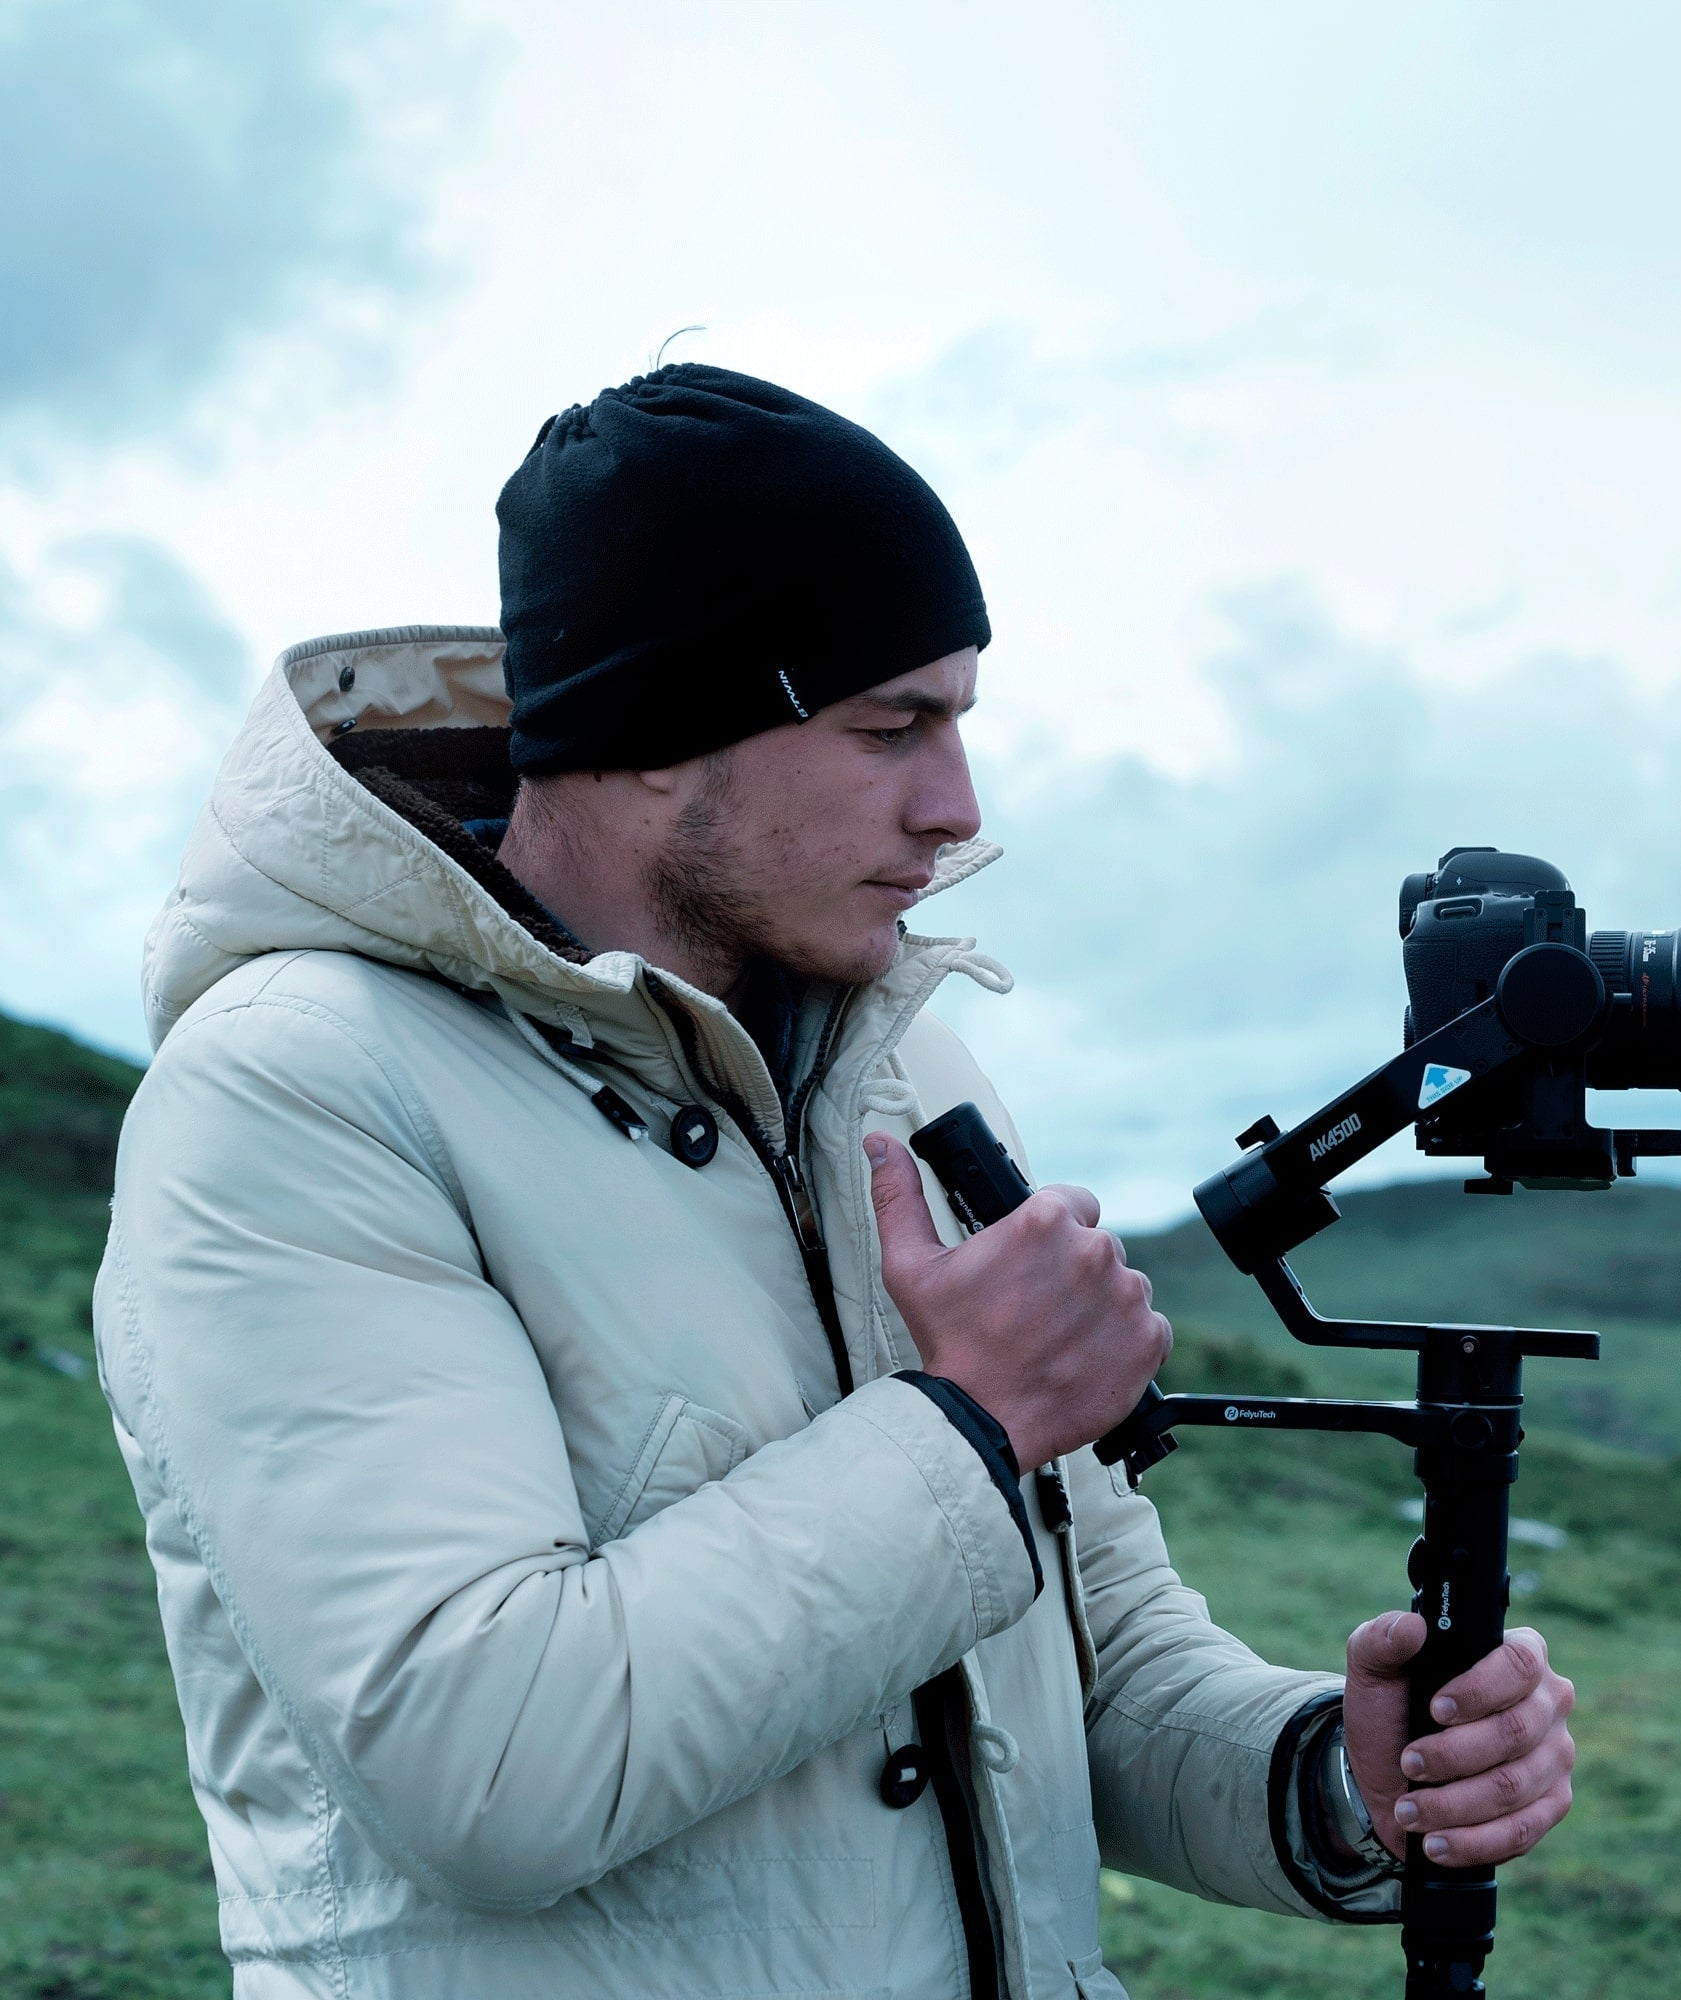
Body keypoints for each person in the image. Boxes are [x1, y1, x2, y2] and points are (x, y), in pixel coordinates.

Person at [97, 364, 1574, 2000]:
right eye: (893, 727)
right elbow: (487, 1765)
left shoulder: (903, 1073)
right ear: (661, 736)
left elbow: (1092, 1667)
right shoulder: (294, 1094)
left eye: (959, 721)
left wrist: (1339, 1779)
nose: (956, 812)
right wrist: (972, 1423)